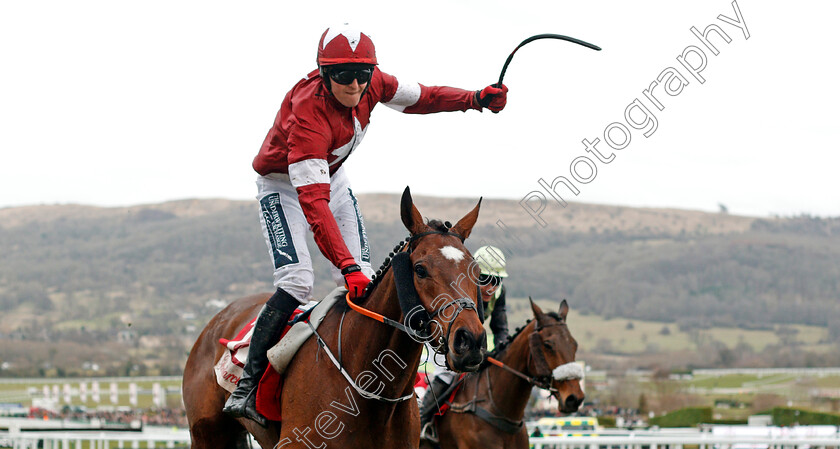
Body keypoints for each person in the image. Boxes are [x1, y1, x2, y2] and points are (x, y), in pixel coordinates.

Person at [222, 24, 509, 426]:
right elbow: (315, 207)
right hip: (285, 184)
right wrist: (346, 266)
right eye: (342, 75)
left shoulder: (373, 83)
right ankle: (247, 385)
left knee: (370, 280)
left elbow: (422, 98)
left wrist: (474, 99)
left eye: (361, 73)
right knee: (298, 280)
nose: (354, 84)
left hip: (332, 176)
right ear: (324, 74)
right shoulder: (308, 114)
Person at [420, 245, 510, 432]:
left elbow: (500, 328)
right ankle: (421, 420)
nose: (491, 287)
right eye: (485, 280)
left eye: (497, 281)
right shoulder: (460, 289)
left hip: (471, 337)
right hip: (441, 336)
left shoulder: (499, 294)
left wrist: (501, 349)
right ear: (474, 275)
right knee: (448, 373)